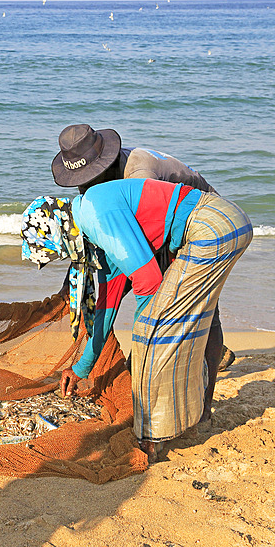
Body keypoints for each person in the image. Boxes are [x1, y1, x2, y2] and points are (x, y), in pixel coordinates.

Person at [21, 178, 251, 460]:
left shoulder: (96, 214)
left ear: (59, 231)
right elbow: (106, 310)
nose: (63, 256)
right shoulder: (96, 229)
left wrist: (147, 332)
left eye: (57, 251)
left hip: (211, 228)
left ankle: (150, 438)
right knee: (179, 329)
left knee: (150, 337)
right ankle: (190, 417)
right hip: (222, 225)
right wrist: (81, 368)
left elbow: (148, 281)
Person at [50, 124, 232, 426]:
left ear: (107, 164)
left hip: (199, 220)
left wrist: (144, 343)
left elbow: (149, 273)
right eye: (81, 183)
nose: (86, 190)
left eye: (90, 181)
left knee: (204, 314)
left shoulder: (138, 173)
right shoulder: (106, 196)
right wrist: (82, 366)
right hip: (164, 232)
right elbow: (112, 284)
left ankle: (205, 407)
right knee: (130, 296)